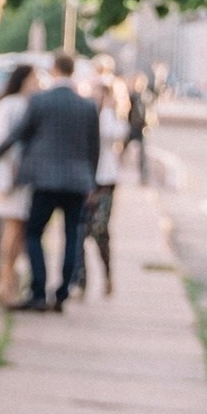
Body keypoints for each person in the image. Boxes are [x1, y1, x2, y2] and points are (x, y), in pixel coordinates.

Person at [0, 52, 102, 310]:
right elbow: (94, 149)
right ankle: (61, 295)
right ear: (72, 72)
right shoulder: (88, 105)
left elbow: (15, 136)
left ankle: (38, 292)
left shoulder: (40, 101)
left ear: (54, 69)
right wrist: (92, 183)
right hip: (78, 182)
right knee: (72, 236)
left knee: (34, 234)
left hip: (44, 181)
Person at [0, 64, 35, 304]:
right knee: (13, 229)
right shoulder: (12, 105)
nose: (38, 83)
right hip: (12, 176)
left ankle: (7, 280)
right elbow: (3, 140)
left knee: (18, 230)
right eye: (34, 78)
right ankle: (4, 283)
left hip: (21, 177)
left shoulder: (21, 104)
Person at [85, 75, 129, 294]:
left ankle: (107, 274)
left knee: (100, 230)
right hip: (86, 179)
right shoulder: (87, 113)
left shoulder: (110, 118)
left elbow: (111, 133)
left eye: (101, 94)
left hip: (105, 180)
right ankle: (80, 281)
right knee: (81, 232)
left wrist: (108, 110)